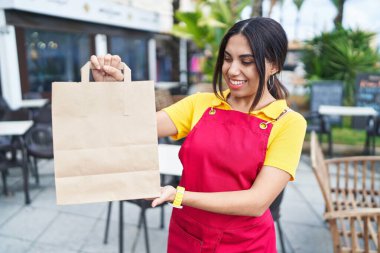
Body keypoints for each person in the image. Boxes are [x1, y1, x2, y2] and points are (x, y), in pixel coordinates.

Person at [91, 17, 306, 253]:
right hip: (188, 235)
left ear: (274, 65)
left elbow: (257, 202)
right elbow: (137, 127)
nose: (232, 70)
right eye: (227, 59)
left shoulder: (288, 123)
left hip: (246, 243)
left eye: (246, 61)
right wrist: (113, 91)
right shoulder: (201, 104)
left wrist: (179, 196)